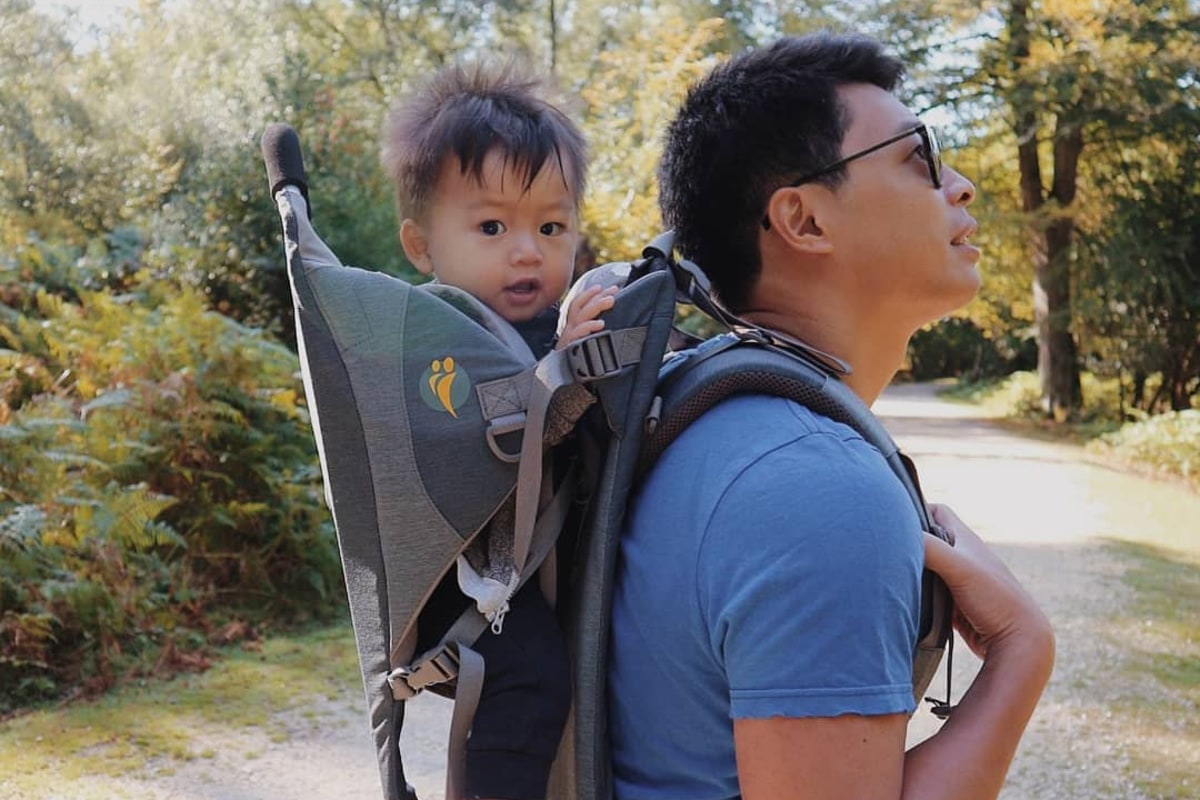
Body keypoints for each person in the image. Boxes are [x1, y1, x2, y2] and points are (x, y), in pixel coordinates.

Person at [608, 32, 1055, 800]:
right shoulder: (815, 486)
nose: (962, 185)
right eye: (919, 156)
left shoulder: (696, 406)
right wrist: (1022, 652)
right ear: (804, 221)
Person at [380, 61, 617, 800]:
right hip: (461, 579)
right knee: (535, 676)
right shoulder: (431, 336)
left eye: (552, 226)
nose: (528, 250)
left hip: (536, 562)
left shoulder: (549, 320)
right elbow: (499, 437)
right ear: (422, 247)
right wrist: (567, 371)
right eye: (492, 226)